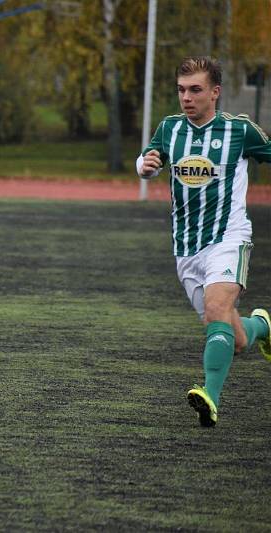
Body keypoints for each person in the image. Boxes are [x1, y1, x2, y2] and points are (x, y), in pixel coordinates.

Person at [137, 56, 271, 427]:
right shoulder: (170, 128)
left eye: (195, 90)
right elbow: (150, 156)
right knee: (235, 337)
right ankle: (263, 327)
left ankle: (210, 397)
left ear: (215, 92)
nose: (186, 98)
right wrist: (145, 165)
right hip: (186, 248)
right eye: (181, 90)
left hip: (229, 239)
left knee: (216, 311)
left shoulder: (240, 131)